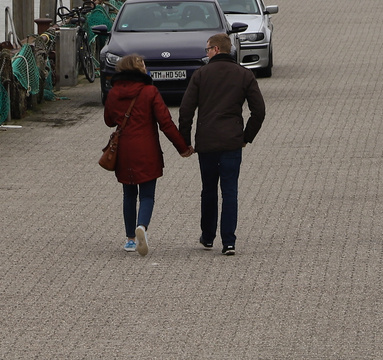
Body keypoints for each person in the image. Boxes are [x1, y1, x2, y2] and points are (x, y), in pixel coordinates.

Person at [179, 33, 265, 256]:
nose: (205, 53)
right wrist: (246, 137)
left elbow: (186, 111)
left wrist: (185, 142)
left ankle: (208, 236)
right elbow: (259, 111)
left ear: (216, 50)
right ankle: (229, 242)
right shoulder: (244, 75)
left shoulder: (200, 75)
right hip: (232, 142)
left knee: (208, 190)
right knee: (230, 191)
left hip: (206, 143)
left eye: (207, 50)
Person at [103, 54, 192, 256]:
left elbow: (109, 120)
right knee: (147, 195)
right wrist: (182, 147)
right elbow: (166, 123)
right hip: (147, 149)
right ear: (138, 69)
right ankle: (142, 226)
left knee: (128, 194)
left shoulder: (114, 92)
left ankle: (130, 240)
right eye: (142, 64)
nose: (145, 66)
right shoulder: (150, 91)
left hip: (124, 149)